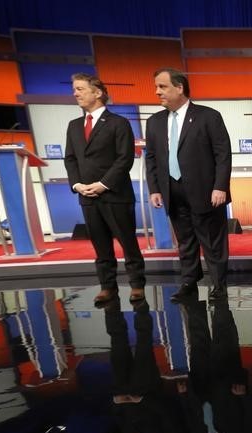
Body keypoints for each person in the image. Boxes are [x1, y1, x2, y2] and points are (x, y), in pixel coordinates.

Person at [145, 68, 232, 303]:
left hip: (207, 192)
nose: (157, 92)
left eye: (162, 87)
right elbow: (151, 157)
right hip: (172, 191)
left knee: (212, 241)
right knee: (185, 241)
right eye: (156, 87)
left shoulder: (208, 116)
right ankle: (189, 282)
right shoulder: (154, 122)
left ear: (180, 87)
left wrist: (220, 186)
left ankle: (219, 285)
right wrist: (154, 188)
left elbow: (223, 154)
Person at [65, 73, 145, 307]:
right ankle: (107, 287)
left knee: (128, 243)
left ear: (97, 93)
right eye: (74, 89)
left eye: (80, 89)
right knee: (100, 246)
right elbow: (70, 159)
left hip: (115, 194)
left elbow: (124, 159)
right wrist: (77, 184)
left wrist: (103, 184)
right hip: (87, 197)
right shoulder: (74, 126)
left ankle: (137, 285)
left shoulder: (118, 123)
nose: (75, 93)